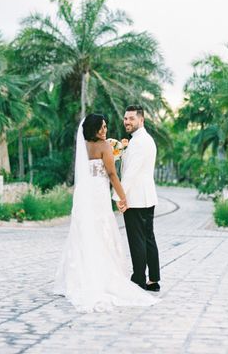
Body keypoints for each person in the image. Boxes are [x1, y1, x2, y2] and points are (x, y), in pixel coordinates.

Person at [54, 113, 158, 312]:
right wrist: (122, 197)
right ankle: (101, 275)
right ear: (94, 129)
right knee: (102, 231)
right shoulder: (104, 146)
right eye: (102, 127)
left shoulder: (83, 146)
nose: (105, 130)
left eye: (105, 126)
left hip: (84, 193)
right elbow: (112, 174)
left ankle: (79, 275)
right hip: (99, 194)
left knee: (83, 231)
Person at [120, 105, 161, 292]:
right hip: (146, 197)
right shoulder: (143, 140)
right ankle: (153, 280)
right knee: (148, 238)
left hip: (135, 198)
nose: (127, 121)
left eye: (131, 118)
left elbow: (131, 172)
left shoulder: (138, 142)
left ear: (141, 120)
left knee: (137, 240)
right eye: (125, 118)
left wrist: (120, 197)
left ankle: (138, 279)